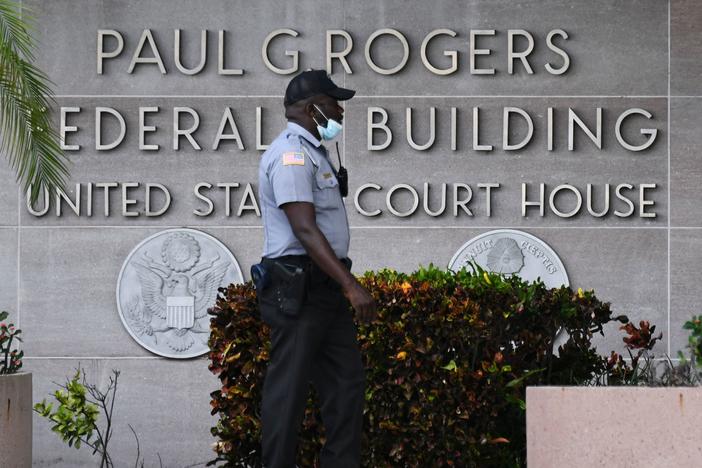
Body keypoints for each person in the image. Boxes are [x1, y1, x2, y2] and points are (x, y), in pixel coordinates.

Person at [256, 69, 377, 468]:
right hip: (299, 290)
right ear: (312, 109)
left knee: (346, 386)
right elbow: (304, 229)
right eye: (333, 104)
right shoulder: (291, 154)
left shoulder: (314, 152)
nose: (340, 111)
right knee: (287, 394)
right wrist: (351, 286)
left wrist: (339, 283)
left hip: (323, 290)